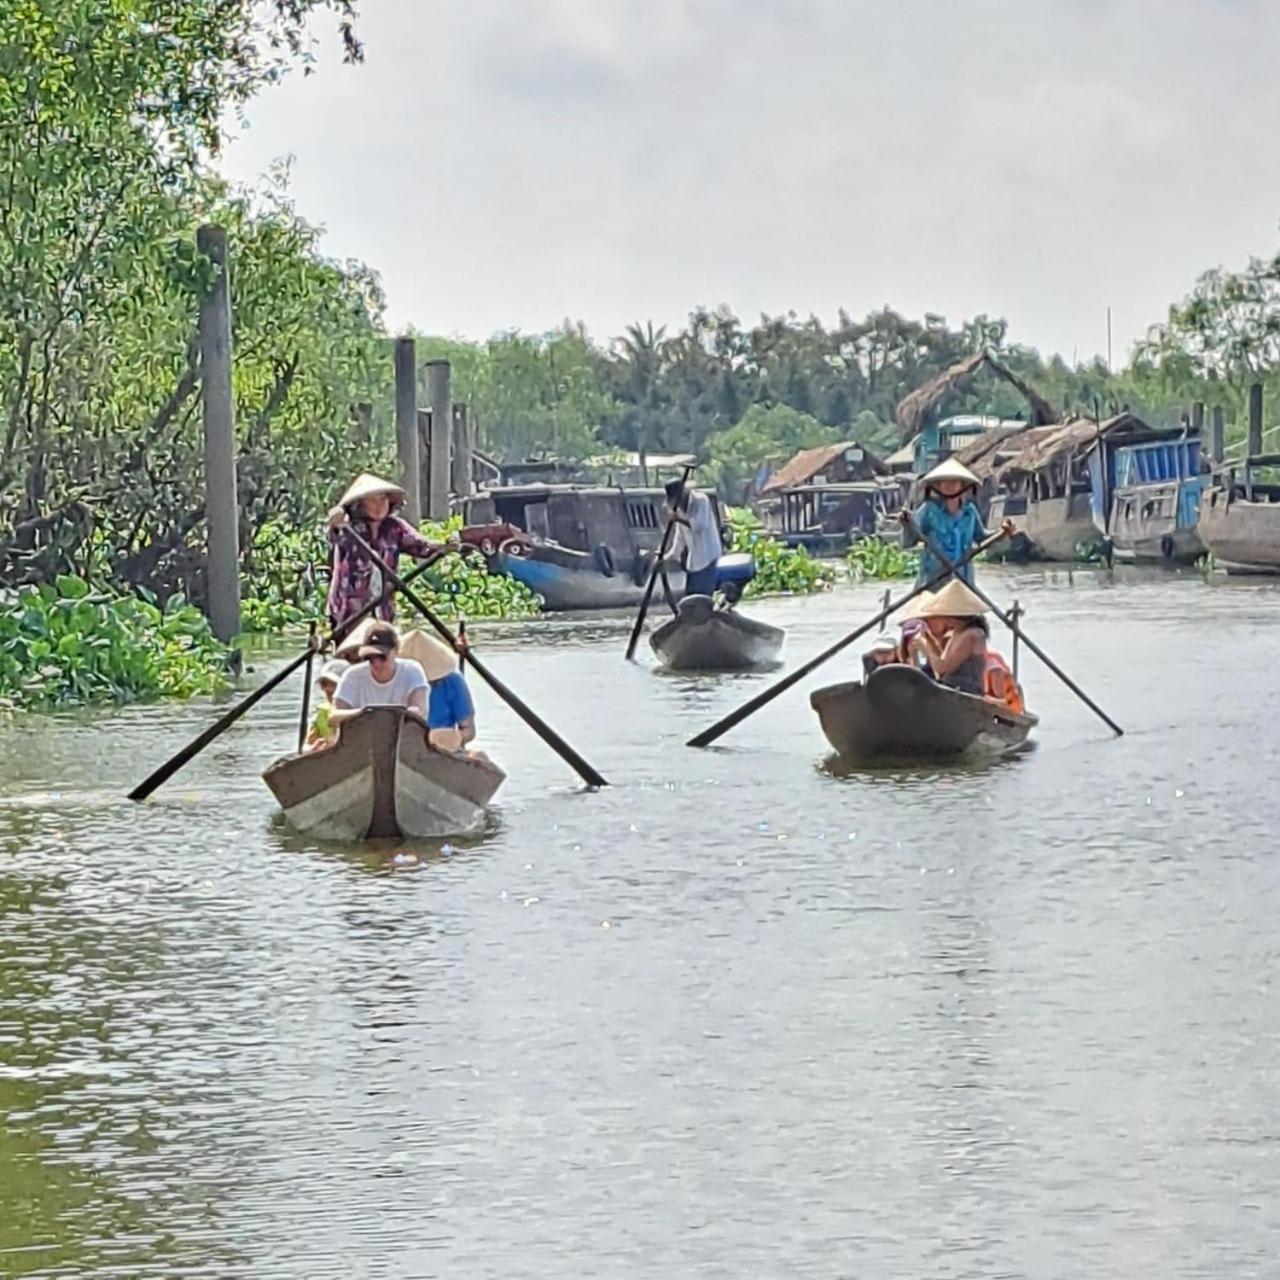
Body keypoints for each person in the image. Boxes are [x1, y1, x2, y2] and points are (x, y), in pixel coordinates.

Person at [325, 473, 451, 632]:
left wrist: (445, 546)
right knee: (352, 646)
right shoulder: (348, 527)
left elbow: (422, 546)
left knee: (382, 644)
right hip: (349, 611)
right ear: (360, 505)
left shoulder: (394, 528)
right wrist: (335, 521)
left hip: (383, 607)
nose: (379, 505)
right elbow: (332, 534)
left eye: (383, 499)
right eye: (372, 500)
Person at [903, 457, 995, 590]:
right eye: (944, 482)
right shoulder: (928, 510)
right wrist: (907, 524)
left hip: (963, 579)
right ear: (938, 486)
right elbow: (910, 540)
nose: (949, 485)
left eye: (953, 482)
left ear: (962, 485)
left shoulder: (969, 512)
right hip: (933, 581)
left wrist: (1002, 532)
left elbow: (981, 536)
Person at [330, 622, 428, 724]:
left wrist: (399, 714)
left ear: (396, 651)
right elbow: (334, 716)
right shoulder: (352, 675)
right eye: (370, 658)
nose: (376, 664)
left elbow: (419, 711)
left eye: (382, 657)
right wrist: (365, 713)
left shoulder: (411, 671)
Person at [400, 629, 478, 754]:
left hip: (443, 749)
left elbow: (469, 731)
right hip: (402, 745)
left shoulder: (453, 681)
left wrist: (452, 738)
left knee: (479, 756)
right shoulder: (392, 682)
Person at [909, 579, 991, 695]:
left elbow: (942, 669)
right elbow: (941, 662)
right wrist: (929, 641)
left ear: (951, 617)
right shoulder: (956, 632)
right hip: (950, 689)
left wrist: (926, 647)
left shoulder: (972, 635)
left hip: (965, 693)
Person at [665, 479, 723, 598]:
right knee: (691, 598)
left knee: (703, 598)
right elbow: (680, 537)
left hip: (708, 557)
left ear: (683, 494)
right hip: (694, 562)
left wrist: (678, 519)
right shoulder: (678, 510)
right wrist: (669, 556)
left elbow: (700, 526)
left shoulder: (701, 500)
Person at [304, 658, 350, 751]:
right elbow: (305, 746)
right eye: (324, 684)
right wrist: (313, 749)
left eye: (334, 684)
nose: (328, 689)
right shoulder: (321, 714)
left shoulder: (360, 712)